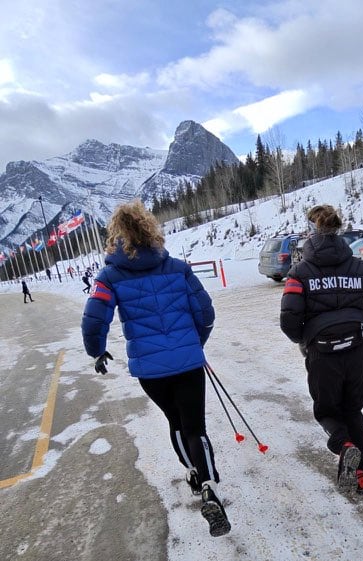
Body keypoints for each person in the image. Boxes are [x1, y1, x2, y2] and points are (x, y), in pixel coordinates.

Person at [81, 199, 230, 537]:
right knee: (196, 426)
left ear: (117, 235)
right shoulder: (178, 267)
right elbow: (206, 314)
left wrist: (97, 351)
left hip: (151, 370)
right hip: (188, 363)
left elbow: (94, 321)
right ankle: (207, 482)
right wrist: (194, 344)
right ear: (150, 229)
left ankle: (193, 473)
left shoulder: (109, 276)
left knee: (175, 422)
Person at [280, 204, 363, 494]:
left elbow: (289, 320)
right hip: (358, 352)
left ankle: (345, 446)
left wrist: (303, 341)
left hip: (323, 355)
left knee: (327, 412)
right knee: (353, 411)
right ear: (339, 230)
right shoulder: (361, 268)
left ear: (310, 232)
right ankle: (358, 474)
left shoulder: (300, 273)